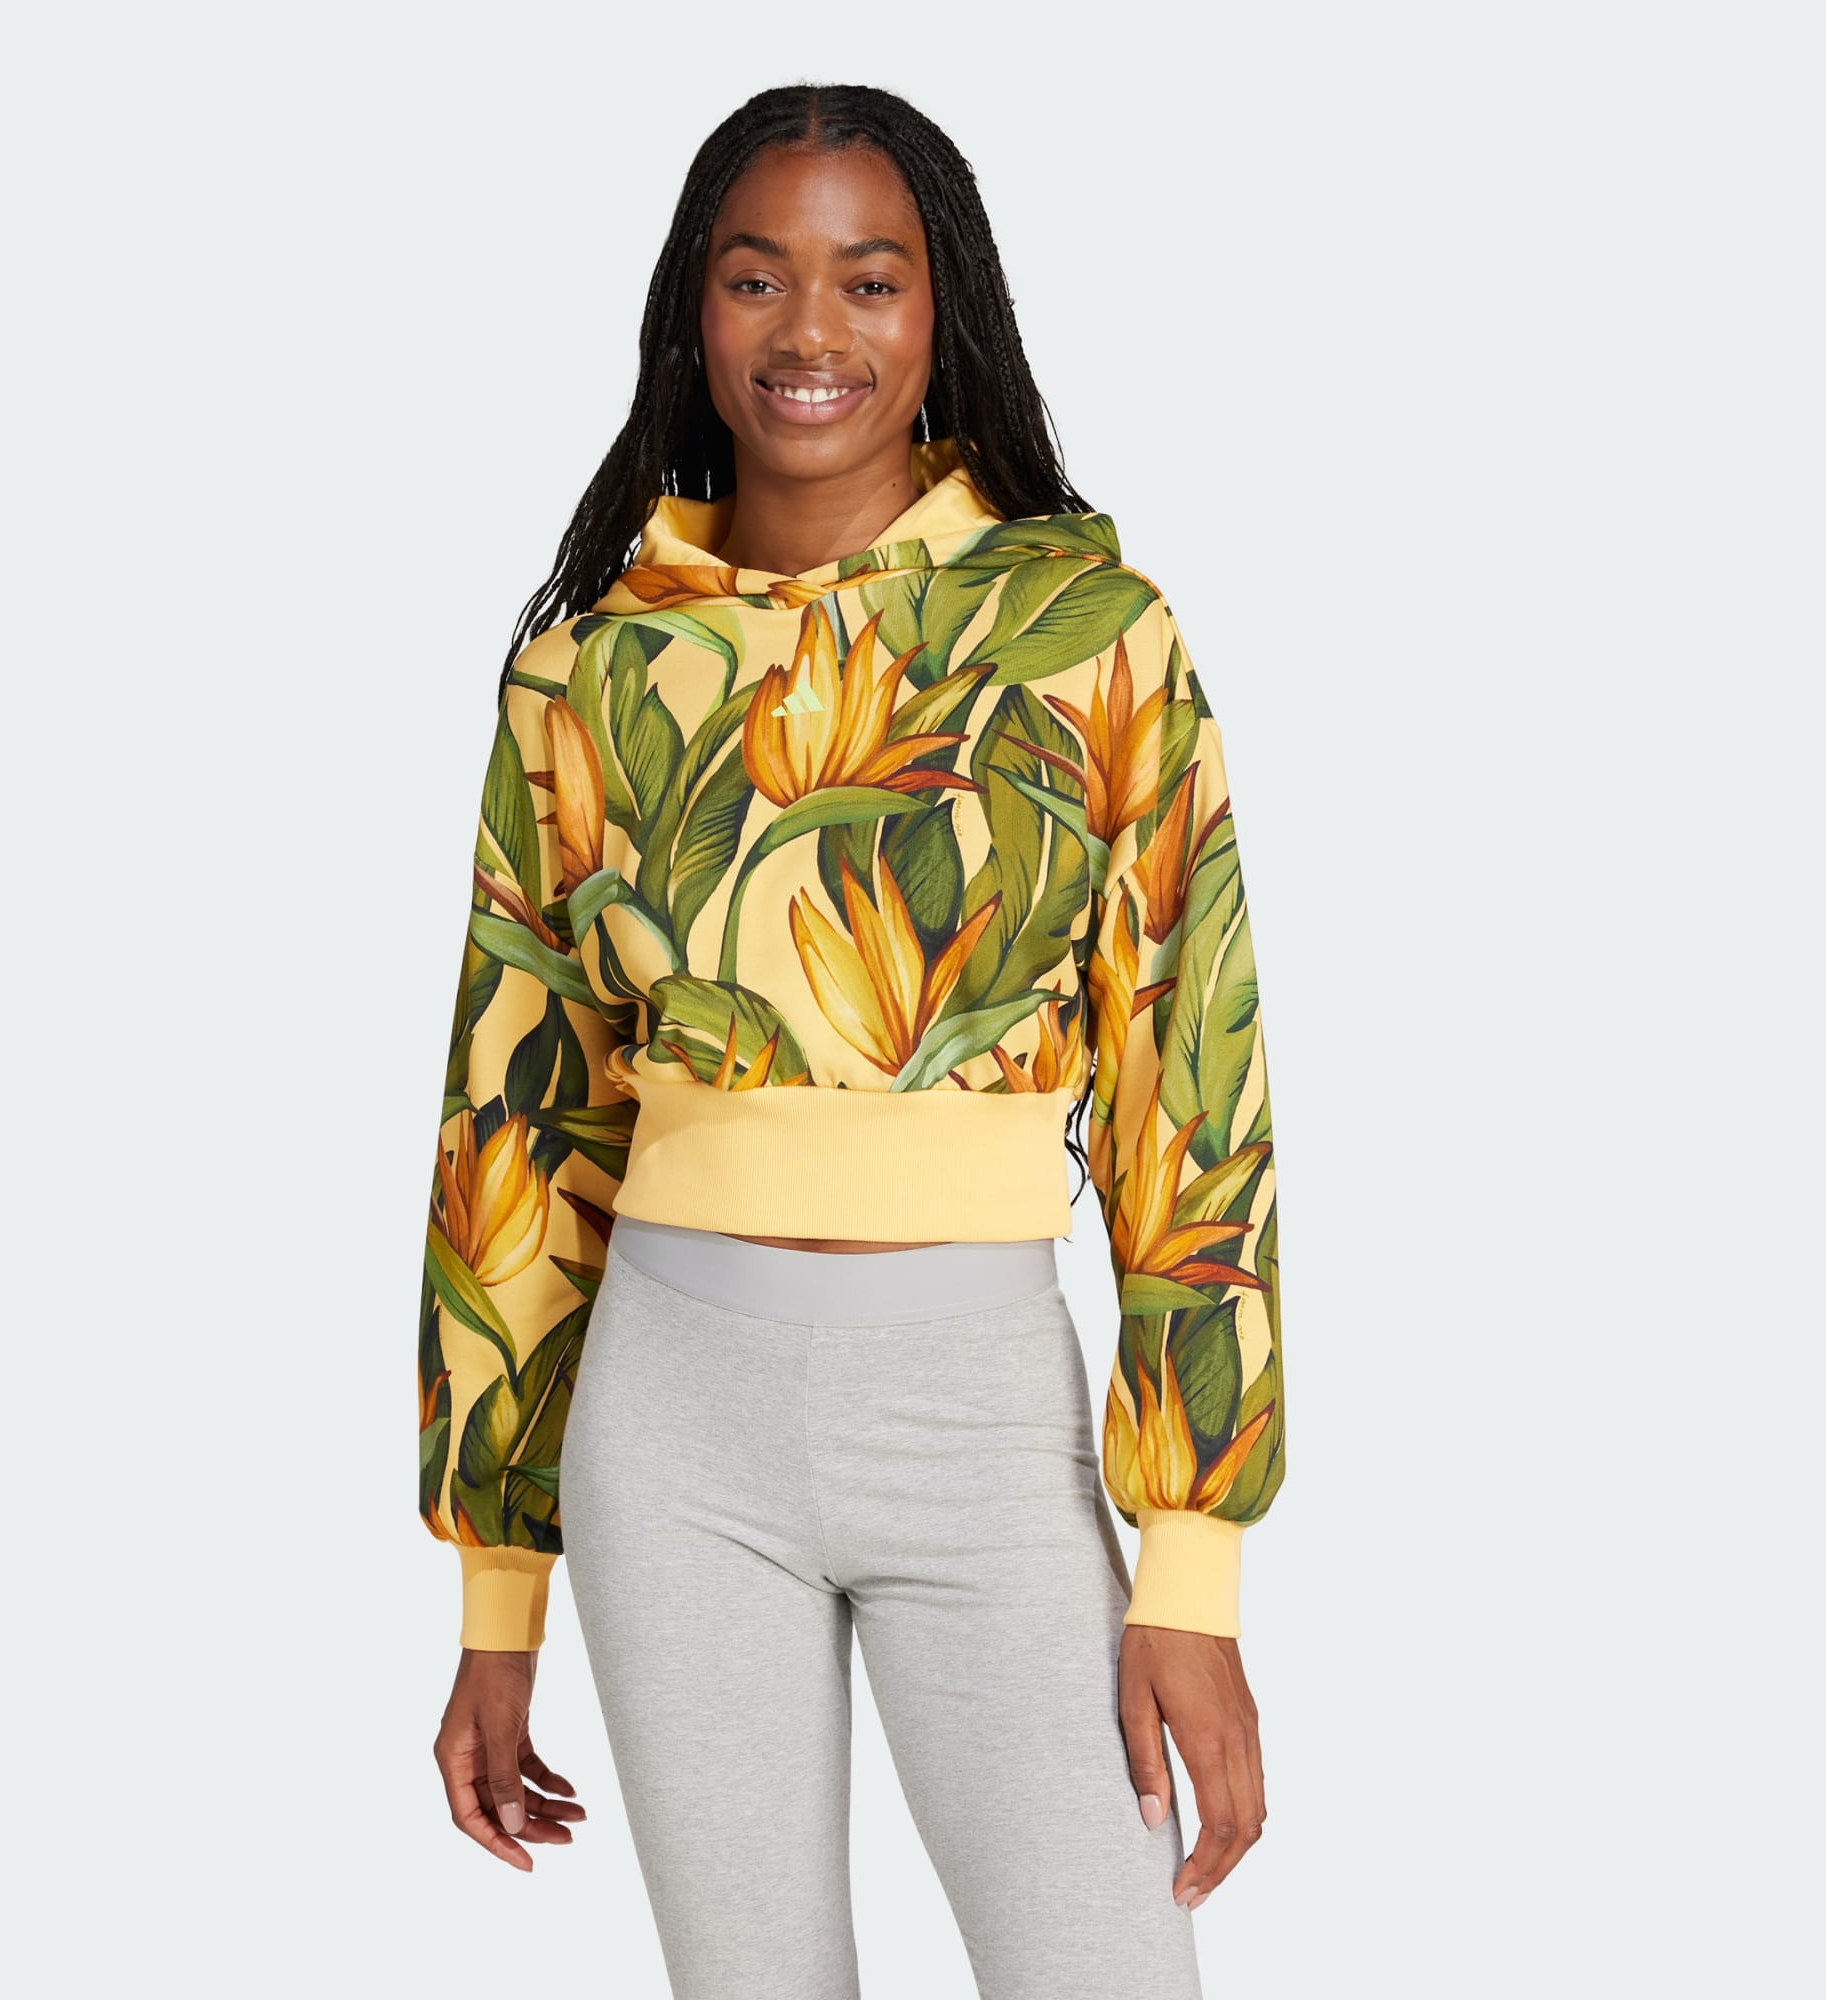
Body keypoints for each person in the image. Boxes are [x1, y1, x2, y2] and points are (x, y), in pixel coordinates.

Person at [418, 81, 1285, 2000]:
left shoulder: (1086, 637)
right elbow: (518, 1123)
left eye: (869, 280)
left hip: (981, 1416)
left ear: (941, 308)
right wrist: (498, 1594)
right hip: (671, 1428)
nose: (810, 331)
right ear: (695, 307)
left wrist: (1192, 1569)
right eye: (758, 278)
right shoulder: (593, 667)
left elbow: (1193, 1093)